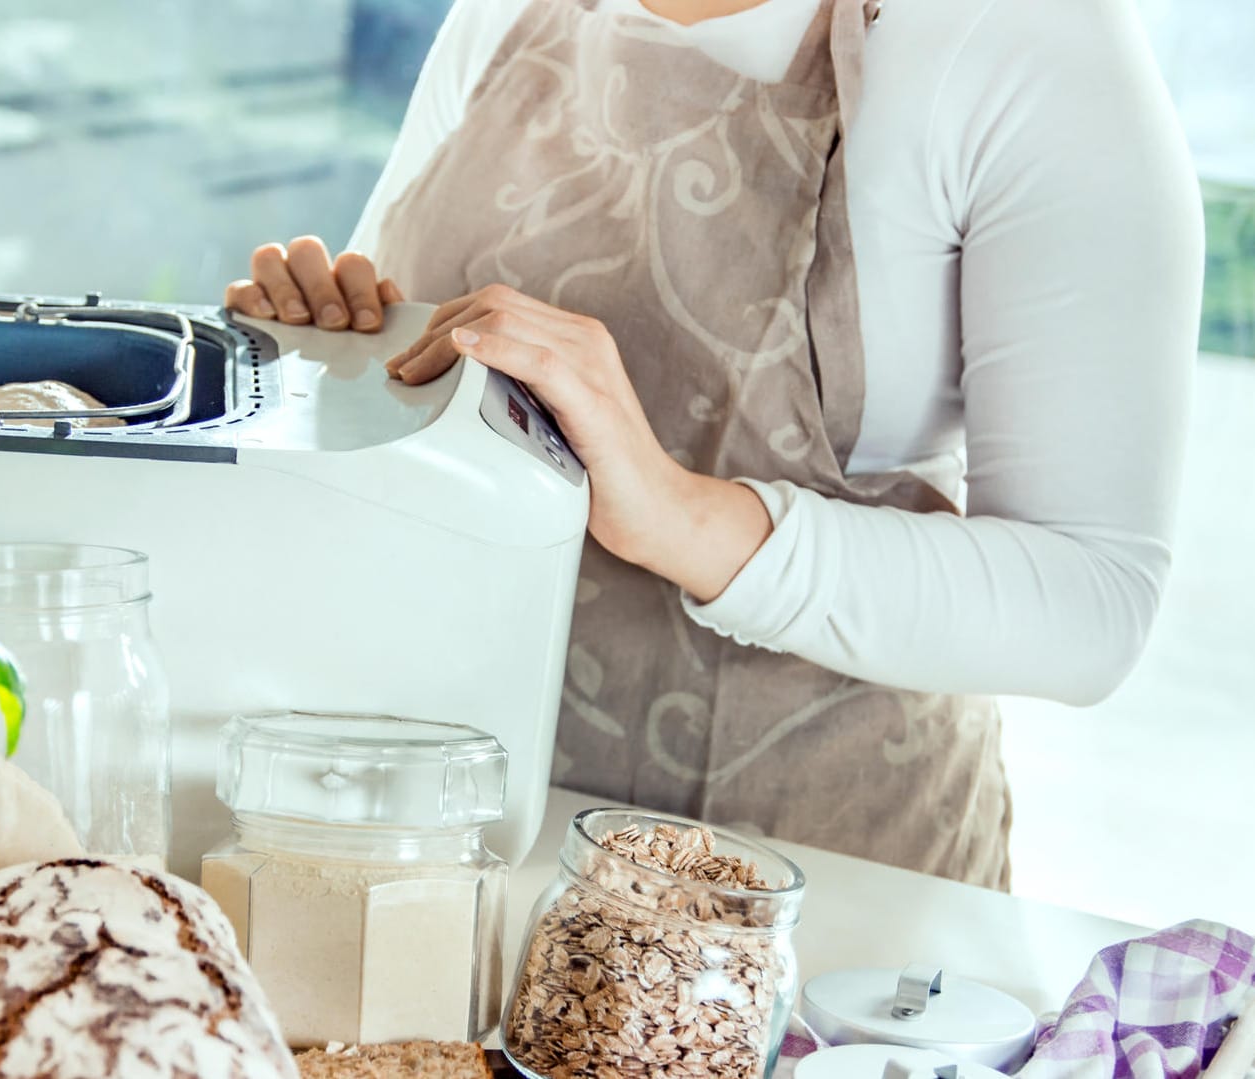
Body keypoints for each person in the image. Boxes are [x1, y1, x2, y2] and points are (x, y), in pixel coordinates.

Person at [224, 0, 1203, 887]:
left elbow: (1091, 603)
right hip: (442, 857)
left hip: (811, 901)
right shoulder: (504, 16)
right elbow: (415, 426)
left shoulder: (1023, 40)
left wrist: (677, 513)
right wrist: (324, 355)